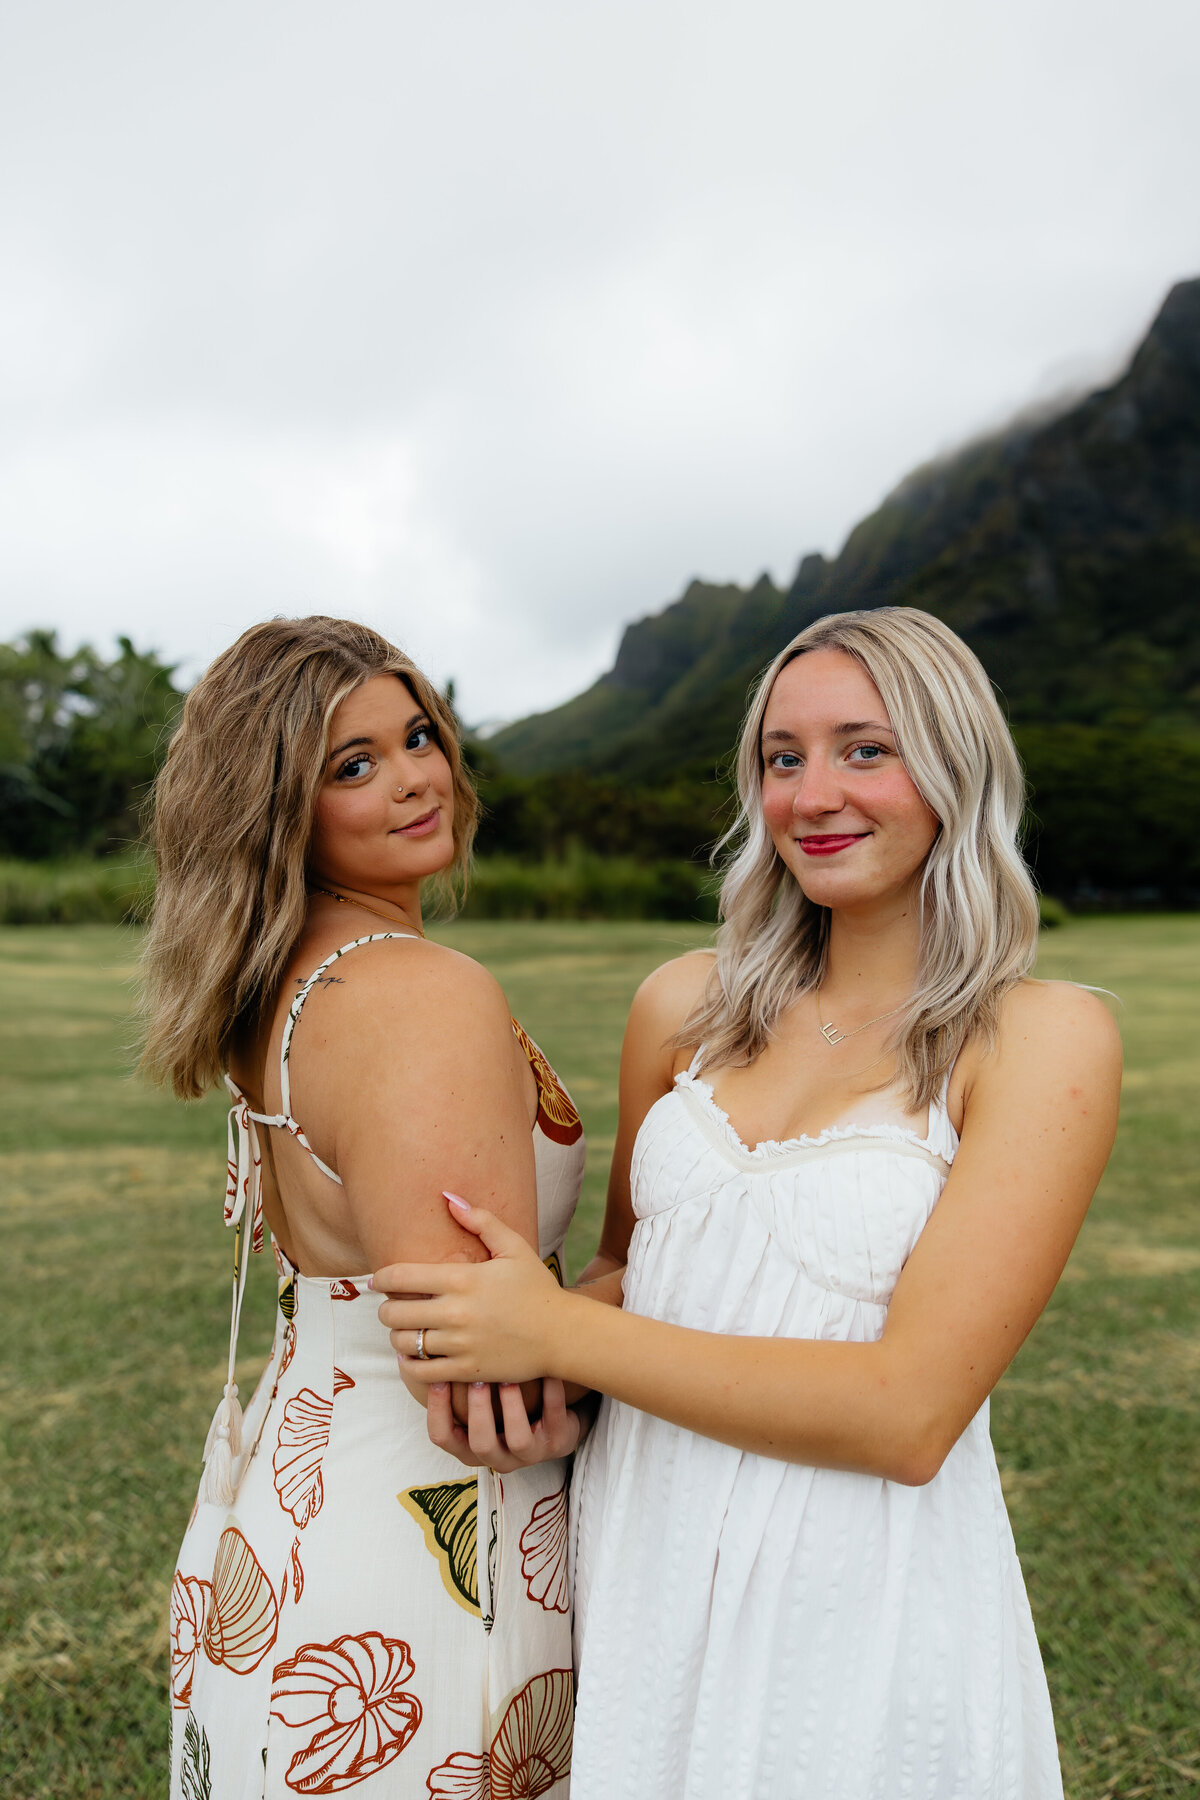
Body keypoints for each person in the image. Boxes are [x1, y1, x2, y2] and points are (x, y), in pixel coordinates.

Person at [376, 606, 1122, 1800]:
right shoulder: (684, 1005)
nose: (814, 794)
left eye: (864, 749)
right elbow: (639, 1272)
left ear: (955, 763)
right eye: (784, 758)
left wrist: (560, 1329)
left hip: (858, 1598)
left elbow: (910, 1415)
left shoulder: (1040, 1037)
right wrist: (533, 1380)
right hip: (643, 1562)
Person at [142, 616, 586, 1800]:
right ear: (276, 807)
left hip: (297, 1512)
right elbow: (484, 1392)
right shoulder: (416, 994)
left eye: (419, 735)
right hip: (435, 1544)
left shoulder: (277, 987)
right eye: (353, 765)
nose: (415, 778)